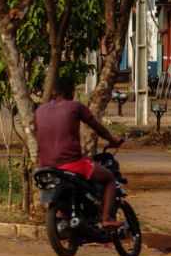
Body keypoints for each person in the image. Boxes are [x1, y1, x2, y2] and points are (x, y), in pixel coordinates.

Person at [34, 77, 124, 229]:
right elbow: (97, 127)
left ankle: (65, 214)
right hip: (72, 164)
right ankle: (106, 218)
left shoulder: (40, 110)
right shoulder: (75, 107)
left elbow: (37, 137)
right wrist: (112, 140)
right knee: (109, 178)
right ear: (73, 92)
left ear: (53, 92)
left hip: (46, 167)